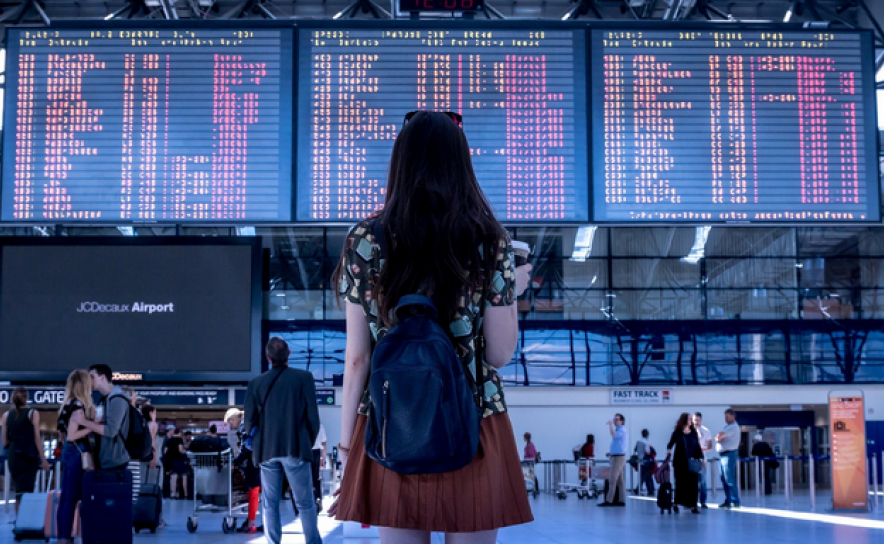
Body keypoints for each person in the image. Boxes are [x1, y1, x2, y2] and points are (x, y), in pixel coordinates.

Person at [330, 110, 535, 542]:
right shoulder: (489, 239)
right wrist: (511, 288)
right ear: (461, 163)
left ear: (400, 163)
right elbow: (499, 354)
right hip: (475, 420)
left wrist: (347, 445)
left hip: (391, 420)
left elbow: (356, 358)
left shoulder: (365, 240)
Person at [244, 337, 321, 544]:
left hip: (266, 451)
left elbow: (249, 422)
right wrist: (306, 441)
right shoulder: (304, 378)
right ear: (289, 354)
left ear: (267, 357)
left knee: (270, 504)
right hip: (295, 448)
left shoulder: (255, 383)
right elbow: (313, 418)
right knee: (305, 503)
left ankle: (273, 542)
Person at [56, 370, 95, 544]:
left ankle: (62, 536)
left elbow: (63, 436)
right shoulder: (79, 406)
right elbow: (72, 434)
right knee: (72, 498)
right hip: (78, 452)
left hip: (67, 451)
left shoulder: (66, 405)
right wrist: (93, 426)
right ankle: (65, 538)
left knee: (65, 498)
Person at [1, 387, 49, 516]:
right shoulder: (32, 413)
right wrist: (43, 460)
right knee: (27, 490)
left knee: (18, 491)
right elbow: (37, 438)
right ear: (26, 398)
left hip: (14, 458)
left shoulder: (6, 416)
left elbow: (4, 442)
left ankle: (19, 522)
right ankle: (26, 521)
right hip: (29, 457)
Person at [73, 364, 130, 471]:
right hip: (105, 460)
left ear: (103, 377)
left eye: (92, 377)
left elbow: (111, 431)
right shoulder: (105, 400)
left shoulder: (117, 399)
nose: (89, 380)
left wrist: (84, 422)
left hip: (114, 462)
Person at [666, 413, 704, 514]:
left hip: (692, 461)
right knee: (680, 483)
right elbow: (670, 443)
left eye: (691, 419)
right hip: (680, 462)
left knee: (693, 484)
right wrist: (669, 450)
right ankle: (676, 503)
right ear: (684, 420)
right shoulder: (677, 432)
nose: (691, 421)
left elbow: (697, 446)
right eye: (689, 419)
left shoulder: (693, 432)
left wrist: (702, 458)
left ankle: (693, 505)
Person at [599, 413, 628, 507]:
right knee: (620, 481)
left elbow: (613, 435)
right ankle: (621, 500)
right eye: (614, 419)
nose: (615, 421)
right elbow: (618, 445)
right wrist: (611, 452)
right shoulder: (619, 430)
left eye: (617, 419)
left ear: (622, 421)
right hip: (615, 456)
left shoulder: (622, 430)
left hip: (618, 458)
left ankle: (609, 500)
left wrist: (610, 425)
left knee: (612, 478)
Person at [715, 408, 741, 508]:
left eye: (727, 416)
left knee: (729, 478)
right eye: (725, 416)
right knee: (724, 479)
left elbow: (719, 437)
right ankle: (728, 500)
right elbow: (717, 436)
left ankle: (735, 501)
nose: (725, 418)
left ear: (732, 416)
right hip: (723, 455)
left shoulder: (733, 427)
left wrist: (718, 437)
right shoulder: (727, 426)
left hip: (729, 455)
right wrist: (718, 437)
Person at [693, 412, 713, 508]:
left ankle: (703, 502)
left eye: (698, 420)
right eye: (694, 420)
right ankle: (692, 501)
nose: (696, 422)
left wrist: (702, 449)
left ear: (701, 420)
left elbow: (710, 446)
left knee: (703, 482)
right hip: (691, 460)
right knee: (692, 482)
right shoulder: (689, 431)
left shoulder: (706, 431)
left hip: (702, 460)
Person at [163, 428, 189, 499]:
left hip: (173, 461)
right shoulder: (179, 440)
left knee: (174, 478)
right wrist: (185, 451)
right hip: (180, 461)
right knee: (184, 477)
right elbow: (180, 450)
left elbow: (165, 452)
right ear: (180, 433)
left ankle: (173, 494)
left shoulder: (169, 440)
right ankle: (185, 494)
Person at [634, 429, 655, 496]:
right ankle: (638, 489)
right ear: (647, 435)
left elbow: (635, 449)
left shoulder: (638, 442)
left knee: (647, 475)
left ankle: (651, 489)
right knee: (644, 476)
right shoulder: (646, 442)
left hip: (639, 460)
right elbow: (647, 452)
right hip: (645, 461)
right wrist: (652, 451)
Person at [311, 423, 327, 512]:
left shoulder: (300, 423)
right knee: (316, 478)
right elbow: (324, 443)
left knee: (305, 478)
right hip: (316, 453)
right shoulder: (320, 425)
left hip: (304, 452)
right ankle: (318, 499)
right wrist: (323, 459)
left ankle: (307, 502)